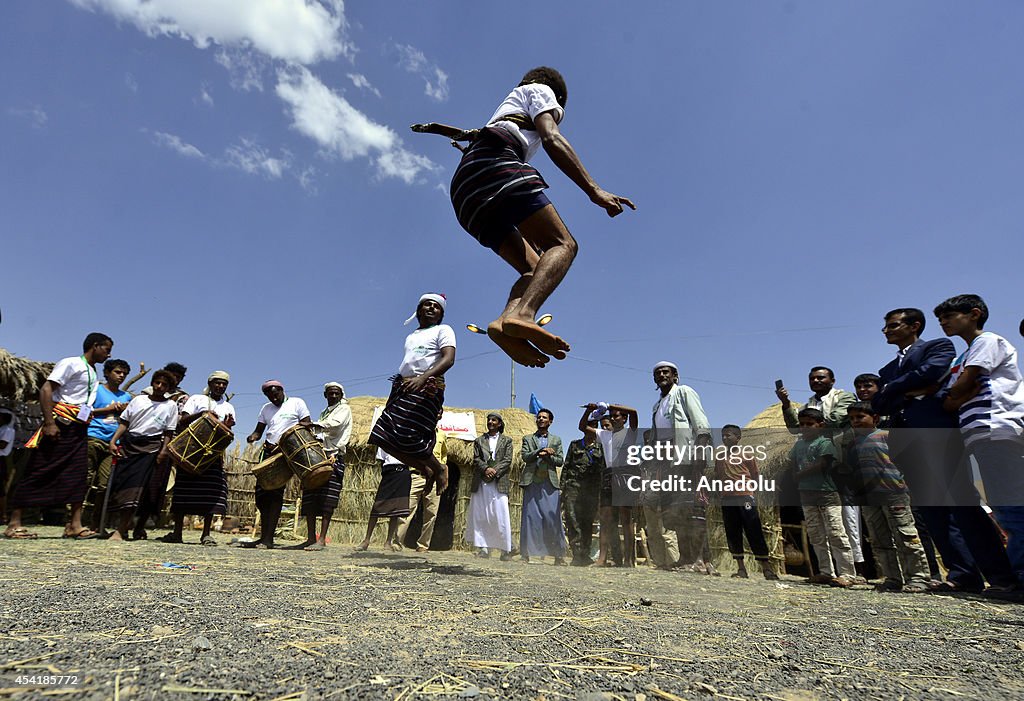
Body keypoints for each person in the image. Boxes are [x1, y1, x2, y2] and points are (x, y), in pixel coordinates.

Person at [412, 67, 635, 368]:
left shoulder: (504, 111)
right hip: (495, 165)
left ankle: (504, 324)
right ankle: (523, 314)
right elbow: (552, 138)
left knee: (535, 268)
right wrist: (593, 190)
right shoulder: (540, 91)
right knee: (564, 245)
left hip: (465, 193)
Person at [873, 307, 1018, 593]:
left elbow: (931, 372)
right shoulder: (886, 370)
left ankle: (1001, 576)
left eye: (893, 325)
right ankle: (961, 574)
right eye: (885, 327)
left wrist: (896, 389)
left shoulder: (938, 347)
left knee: (962, 506)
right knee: (933, 510)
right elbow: (879, 404)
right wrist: (909, 388)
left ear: (914, 326)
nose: (887, 331)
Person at [936, 294, 1024, 583]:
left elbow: (962, 386)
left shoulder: (988, 341)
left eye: (949, 316)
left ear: (973, 314)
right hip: (975, 432)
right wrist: (960, 393)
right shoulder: (961, 357)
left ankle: (1019, 575)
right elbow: (949, 400)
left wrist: (961, 392)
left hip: (994, 426)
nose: (943, 322)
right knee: (999, 503)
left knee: (1010, 504)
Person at [5, 332, 112, 540]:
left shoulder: (91, 370)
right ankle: (14, 523)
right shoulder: (71, 363)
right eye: (107, 349)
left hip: (78, 429)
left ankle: (74, 525)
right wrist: (49, 422)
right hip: (59, 424)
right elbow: (46, 390)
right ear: (95, 346)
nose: (108, 355)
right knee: (39, 469)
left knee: (77, 474)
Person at [777, 368, 864, 577]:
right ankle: (827, 570)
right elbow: (795, 428)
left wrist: (807, 420)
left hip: (841, 464)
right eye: (812, 378)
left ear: (832, 380)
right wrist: (787, 405)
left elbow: (833, 420)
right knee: (818, 529)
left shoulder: (844, 397)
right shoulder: (808, 405)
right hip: (814, 483)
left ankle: (856, 568)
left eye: (821, 377)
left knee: (846, 519)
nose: (816, 381)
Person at [369, 293, 455, 495]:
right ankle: (424, 468)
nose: (431, 308)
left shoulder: (444, 330)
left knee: (411, 434)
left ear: (441, 313)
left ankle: (439, 467)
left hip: (428, 386)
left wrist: (423, 378)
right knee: (381, 436)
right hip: (403, 386)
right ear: (419, 310)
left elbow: (449, 359)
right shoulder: (412, 335)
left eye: (436, 306)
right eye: (427, 304)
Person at [845, 402, 930, 593]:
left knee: (905, 535)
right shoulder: (851, 444)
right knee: (879, 540)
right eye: (851, 419)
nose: (855, 422)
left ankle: (917, 577)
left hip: (893, 494)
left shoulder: (886, 436)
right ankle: (892, 578)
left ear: (874, 418)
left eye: (860, 417)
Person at [651, 361, 716, 575]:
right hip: (667, 462)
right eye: (658, 373)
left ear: (675, 375)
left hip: (685, 457)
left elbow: (701, 422)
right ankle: (685, 558)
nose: (662, 375)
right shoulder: (657, 405)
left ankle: (700, 559)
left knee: (692, 509)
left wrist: (700, 451)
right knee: (675, 511)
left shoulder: (684, 392)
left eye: (665, 372)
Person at [160, 371, 236, 546]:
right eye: (217, 383)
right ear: (210, 384)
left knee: (210, 493)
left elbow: (225, 432)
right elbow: (182, 421)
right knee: (183, 491)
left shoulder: (228, 406)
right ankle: (177, 532)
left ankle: (206, 534)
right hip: (191, 450)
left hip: (213, 454)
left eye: (224, 384)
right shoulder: (196, 399)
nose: (220, 386)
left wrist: (227, 425)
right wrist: (203, 415)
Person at [106, 370, 179, 541]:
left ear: (169, 388)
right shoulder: (138, 400)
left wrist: (163, 451)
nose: (160, 387)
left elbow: (169, 432)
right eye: (157, 383)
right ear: (152, 383)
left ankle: (120, 530)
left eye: (164, 385)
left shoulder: (170, 406)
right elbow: (125, 422)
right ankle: (120, 528)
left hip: (150, 449)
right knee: (121, 486)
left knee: (137, 490)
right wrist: (113, 441)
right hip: (128, 445)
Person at [792, 407, 858, 587]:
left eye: (809, 424)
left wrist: (800, 475)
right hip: (807, 494)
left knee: (836, 531)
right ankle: (826, 572)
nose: (805, 427)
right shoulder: (798, 445)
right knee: (816, 534)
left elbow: (823, 464)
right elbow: (792, 463)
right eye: (802, 424)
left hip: (826, 494)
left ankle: (847, 573)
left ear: (820, 425)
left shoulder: (825, 443)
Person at [246, 380, 312, 549]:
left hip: (285, 454)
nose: (273, 397)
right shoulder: (266, 409)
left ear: (282, 390)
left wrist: (284, 441)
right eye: (269, 395)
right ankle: (263, 537)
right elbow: (258, 431)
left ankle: (268, 539)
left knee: (275, 494)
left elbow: (307, 424)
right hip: (267, 453)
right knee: (261, 496)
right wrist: (252, 437)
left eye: (276, 393)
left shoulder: (296, 403)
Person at [132, 361, 190, 539]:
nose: (174, 379)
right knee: (133, 484)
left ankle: (141, 524)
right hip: (137, 442)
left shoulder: (183, 398)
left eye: (177, 377)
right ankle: (123, 522)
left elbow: (178, 423)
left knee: (154, 487)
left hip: (166, 445)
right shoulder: (145, 394)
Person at [716, 425, 777, 580]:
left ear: (738, 437)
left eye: (728, 435)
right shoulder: (720, 457)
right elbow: (718, 476)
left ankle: (766, 569)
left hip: (745, 497)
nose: (724, 438)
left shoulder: (747, 455)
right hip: (727, 498)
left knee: (753, 529)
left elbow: (755, 475)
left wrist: (750, 493)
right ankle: (741, 568)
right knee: (732, 531)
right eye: (723, 436)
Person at [582, 403, 639, 567]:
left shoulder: (631, 432)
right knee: (605, 519)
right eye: (611, 415)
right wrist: (589, 410)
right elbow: (582, 427)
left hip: (626, 475)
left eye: (617, 415)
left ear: (624, 418)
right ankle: (602, 559)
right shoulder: (604, 434)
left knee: (626, 519)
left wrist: (609, 406)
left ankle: (629, 560)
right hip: (609, 475)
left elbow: (634, 411)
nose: (613, 418)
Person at [299, 382, 352, 551]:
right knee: (311, 496)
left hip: (334, 455)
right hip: (319, 456)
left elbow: (334, 424)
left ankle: (321, 539)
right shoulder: (324, 413)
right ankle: (310, 538)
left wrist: (312, 425)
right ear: (325, 395)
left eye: (336, 393)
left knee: (328, 500)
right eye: (330, 393)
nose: (333, 396)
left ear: (341, 395)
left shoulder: (343, 409)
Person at [86, 359, 132, 532]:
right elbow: (84, 411)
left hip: (113, 443)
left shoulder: (126, 397)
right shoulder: (96, 390)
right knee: (85, 479)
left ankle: (96, 523)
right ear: (107, 373)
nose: (121, 376)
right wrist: (109, 410)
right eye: (118, 372)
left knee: (105, 485)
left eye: (124, 374)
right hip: (92, 437)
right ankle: (72, 521)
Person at [519, 408, 567, 564]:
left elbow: (560, 461)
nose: (540, 419)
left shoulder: (556, 440)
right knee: (530, 517)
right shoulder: (528, 438)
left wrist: (549, 456)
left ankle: (558, 556)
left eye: (544, 417)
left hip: (549, 483)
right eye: (538, 417)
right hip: (531, 481)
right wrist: (540, 451)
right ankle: (525, 554)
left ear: (550, 421)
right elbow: (526, 456)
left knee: (552, 517)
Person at [466, 412, 514, 560]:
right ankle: (484, 549)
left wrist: (495, 470)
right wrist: (486, 469)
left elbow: (507, 459)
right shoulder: (479, 441)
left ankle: (505, 550)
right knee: (482, 515)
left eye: (494, 420)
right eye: (489, 420)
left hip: (499, 482)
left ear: (499, 423)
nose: (490, 422)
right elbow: (476, 459)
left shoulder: (507, 441)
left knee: (500, 515)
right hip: (482, 482)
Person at [395, 414, 445, 552]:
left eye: (439, 413)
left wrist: (441, 468)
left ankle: (423, 545)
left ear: (440, 416)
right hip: (417, 475)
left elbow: (444, 454)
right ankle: (397, 542)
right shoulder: (417, 432)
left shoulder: (442, 435)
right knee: (407, 509)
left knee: (431, 512)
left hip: (434, 479)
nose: (436, 414)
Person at [561, 415, 605, 566]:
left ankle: (584, 554)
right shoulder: (575, 445)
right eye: (589, 424)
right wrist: (562, 489)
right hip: (573, 487)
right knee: (572, 521)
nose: (592, 428)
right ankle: (576, 554)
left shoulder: (601, 447)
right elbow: (566, 467)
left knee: (587, 522)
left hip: (591, 490)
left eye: (594, 425)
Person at [356, 448, 412, 552]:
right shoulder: (385, 440)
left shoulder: (408, 439)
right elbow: (381, 460)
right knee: (377, 507)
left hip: (403, 473)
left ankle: (388, 542)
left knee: (396, 510)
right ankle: (366, 540)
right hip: (389, 473)